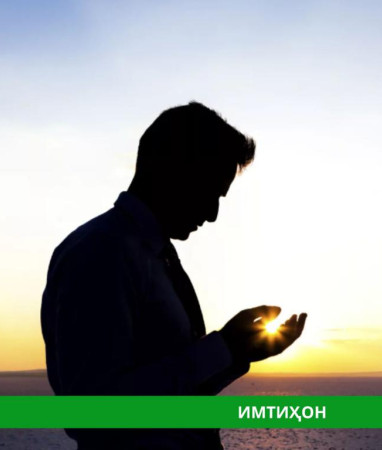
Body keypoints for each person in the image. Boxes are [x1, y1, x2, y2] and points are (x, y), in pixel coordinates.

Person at [40, 102, 307, 449]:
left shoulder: (150, 255)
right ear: (170, 170)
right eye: (209, 191)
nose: (212, 214)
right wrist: (223, 347)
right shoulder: (102, 253)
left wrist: (234, 352)